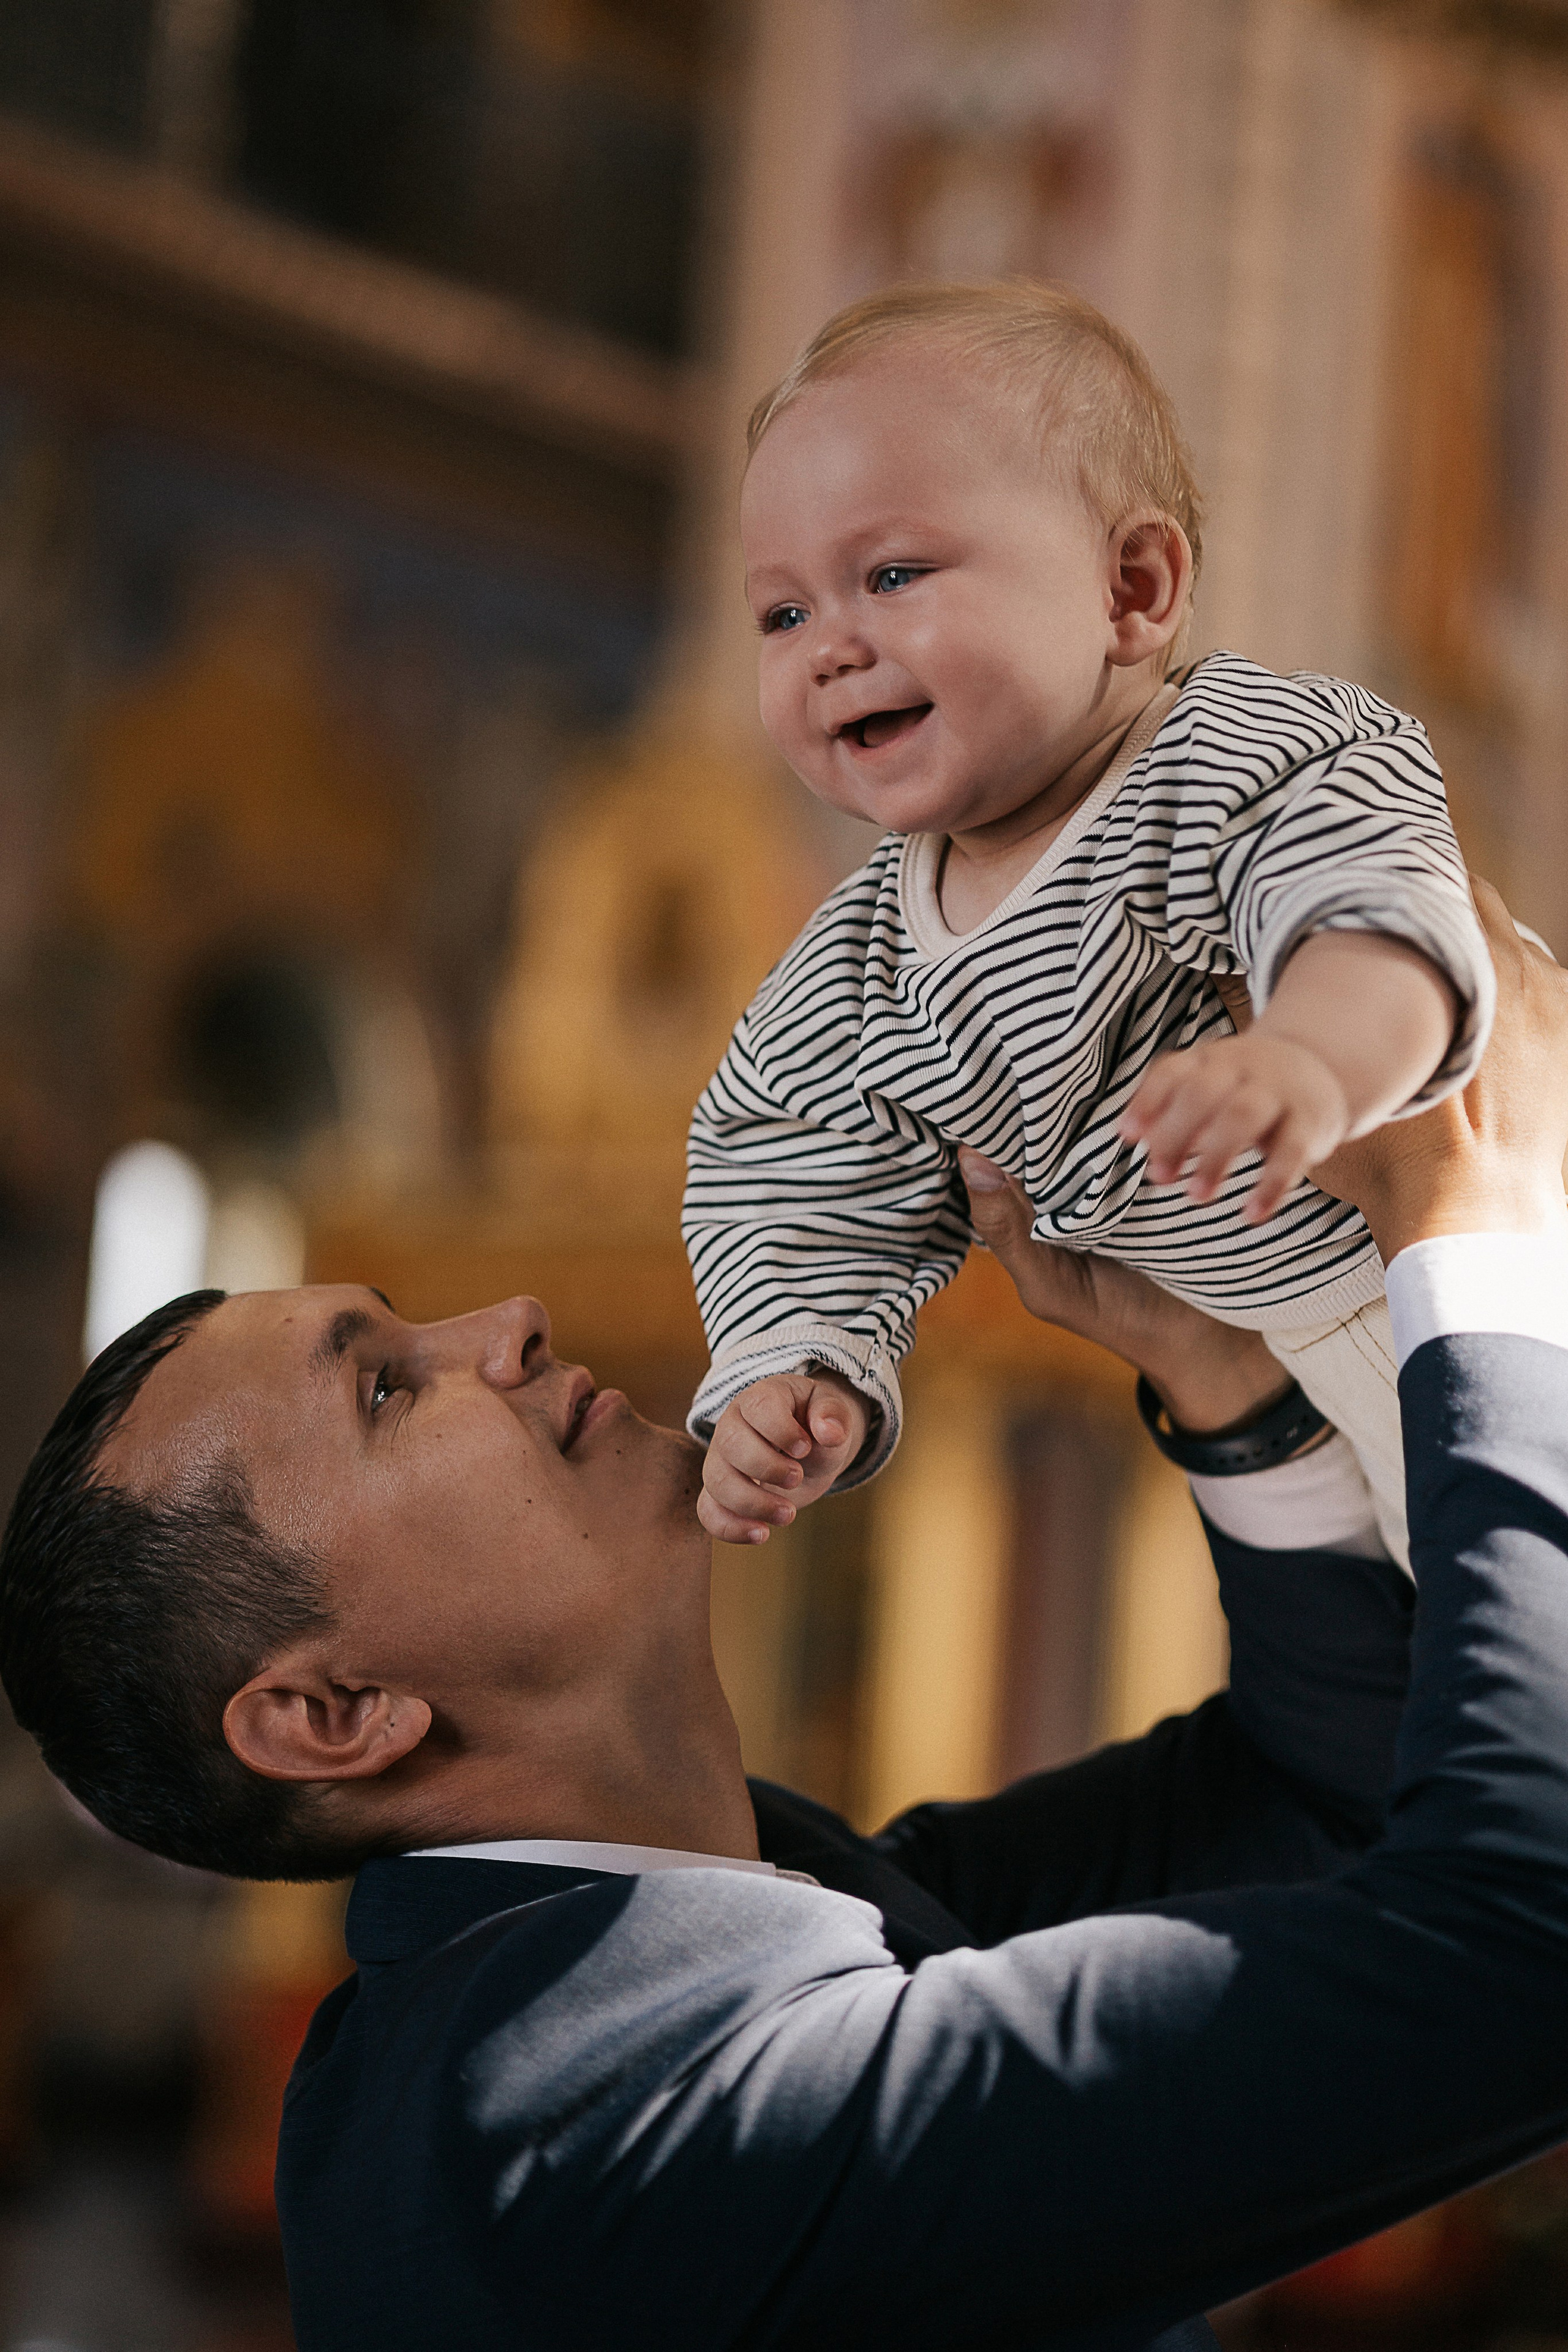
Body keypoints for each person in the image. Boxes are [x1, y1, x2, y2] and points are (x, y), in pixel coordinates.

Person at [2, 892, 1568, 2350]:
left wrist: (1226, 1394)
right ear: (332, 1712)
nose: (510, 1320)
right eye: (387, 1388)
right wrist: (1479, 1246)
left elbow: (1331, 1807)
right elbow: (1517, 1950)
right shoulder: (572, 2129)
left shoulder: (717, 1919)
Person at [687, 278, 1494, 1572]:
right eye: (781, 613)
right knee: (1470, 1649)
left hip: (1499, 1270)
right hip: (1311, 1356)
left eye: (890, 575)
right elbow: (786, 1174)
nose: (827, 646)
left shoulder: (1229, 760)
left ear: (1131, 588)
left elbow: (1378, 925)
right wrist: (793, 1364)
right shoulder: (856, 967)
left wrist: (1310, 1061)